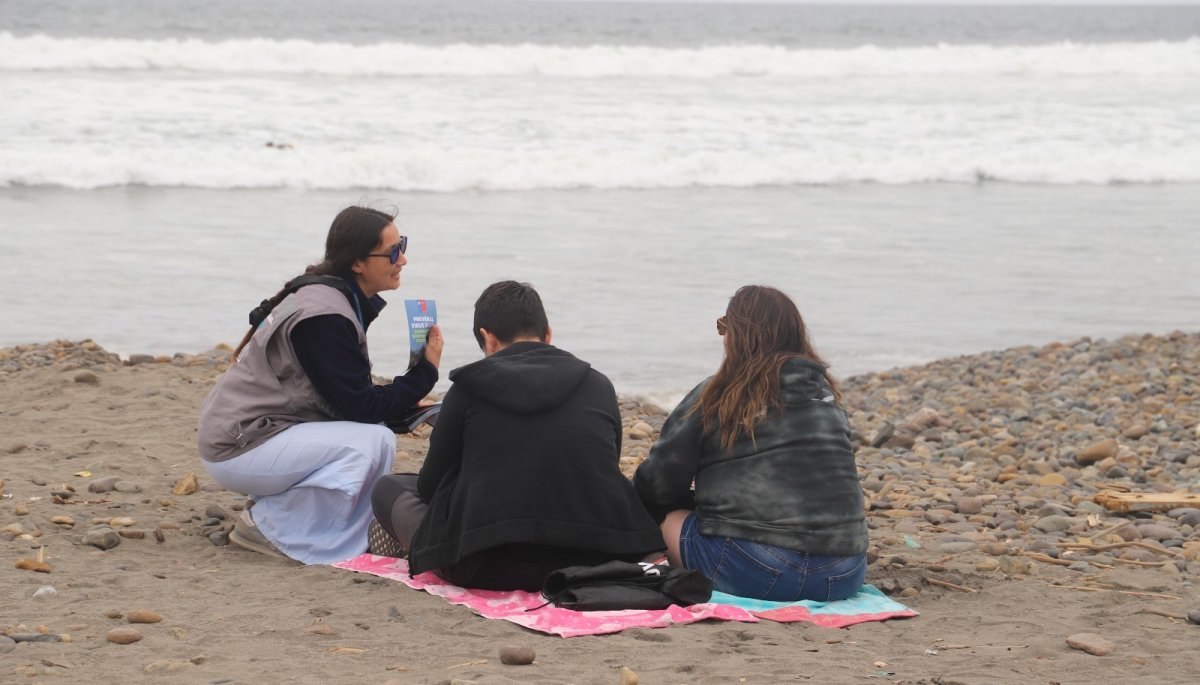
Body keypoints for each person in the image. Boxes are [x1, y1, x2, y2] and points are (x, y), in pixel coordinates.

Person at [370, 280, 664, 590]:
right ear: (548, 334)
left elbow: (429, 488)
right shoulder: (598, 385)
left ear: (488, 339)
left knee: (389, 487)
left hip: (481, 567)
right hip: (590, 560)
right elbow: (603, 469)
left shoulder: (468, 388)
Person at [197, 206, 443, 564]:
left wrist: (404, 404)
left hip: (251, 434)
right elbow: (360, 408)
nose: (403, 259)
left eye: (402, 245)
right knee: (373, 442)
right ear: (357, 263)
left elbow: (343, 397)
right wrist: (426, 372)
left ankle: (293, 515)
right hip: (240, 446)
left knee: (371, 437)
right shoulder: (324, 317)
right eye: (393, 252)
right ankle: (270, 526)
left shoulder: (330, 297)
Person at [632, 285, 868, 602]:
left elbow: (659, 481)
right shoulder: (826, 397)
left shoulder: (717, 393)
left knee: (669, 517)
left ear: (739, 335)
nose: (723, 336)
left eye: (724, 327)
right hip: (842, 574)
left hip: (757, 571)